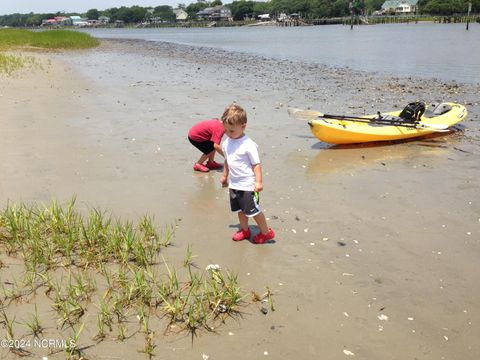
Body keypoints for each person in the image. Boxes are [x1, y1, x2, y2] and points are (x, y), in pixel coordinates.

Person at [219, 104, 275, 244]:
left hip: (248, 185)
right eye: (225, 130)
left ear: (243, 126)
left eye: (231, 130)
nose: (228, 133)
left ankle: (266, 233)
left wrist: (258, 182)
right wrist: (225, 175)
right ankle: (245, 230)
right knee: (240, 210)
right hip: (235, 184)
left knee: (254, 211)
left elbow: (256, 164)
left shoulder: (248, 144)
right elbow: (227, 160)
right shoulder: (226, 143)